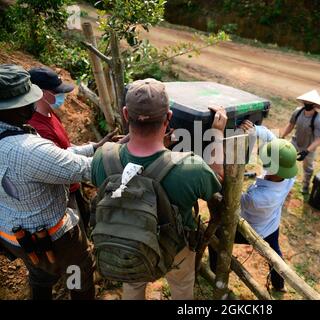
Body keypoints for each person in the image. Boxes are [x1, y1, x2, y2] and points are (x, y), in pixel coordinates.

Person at [90, 78, 227, 300]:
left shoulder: (102, 158)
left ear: (126, 115)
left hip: (128, 245)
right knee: (182, 289)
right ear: (169, 117)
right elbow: (217, 179)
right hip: (176, 249)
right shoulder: (189, 167)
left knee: (133, 287)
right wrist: (217, 134)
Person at [0, 64, 95, 300]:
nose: (32, 106)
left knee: (40, 273)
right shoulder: (28, 149)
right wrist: (120, 155)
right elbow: (82, 170)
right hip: (56, 237)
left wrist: (94, 147)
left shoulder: (14, 135)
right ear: (17, 108)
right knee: (77, 273)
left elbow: (61, 155)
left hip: (14, 236)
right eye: (28, 101)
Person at [210, 121, 298, 292]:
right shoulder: (288, 176)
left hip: (253, 228)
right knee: (275, 256)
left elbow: (231, 199)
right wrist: (253, 129)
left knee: (216, 237)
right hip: (272, 223)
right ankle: (279, 285)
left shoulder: (258, 199)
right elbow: (270, 137)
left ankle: (215, 272)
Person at [27, 66, 116, 230]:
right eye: (57, 92)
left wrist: (96, 146)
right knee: (77, 230)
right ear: (42, 93)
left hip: (74, 185)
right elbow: (60, 162)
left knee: (86, 221)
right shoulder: (38, 129)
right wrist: (109, 156)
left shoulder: (49, 113)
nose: (62, 96)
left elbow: (65, 148)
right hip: (64, 194)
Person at [281, 90, 320, 194]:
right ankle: (285, 181)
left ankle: (305, 186)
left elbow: (318, 140)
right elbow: (291, 125)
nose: (306, 103)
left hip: (309, 147)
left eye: (309, 102)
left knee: (308, 168)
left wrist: (306, 151)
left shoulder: (318, 120)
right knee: (286, 159)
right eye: (305, 101)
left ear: (315, 105)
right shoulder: (298, 112)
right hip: (295, 142)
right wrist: (282, 136)